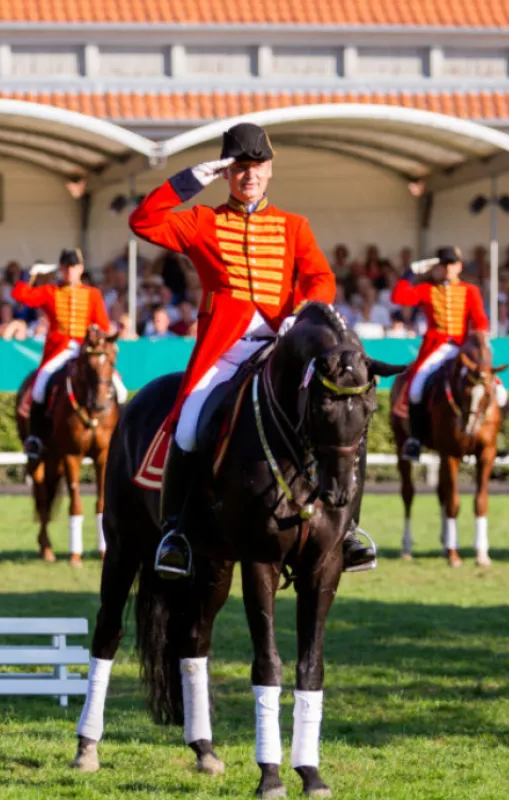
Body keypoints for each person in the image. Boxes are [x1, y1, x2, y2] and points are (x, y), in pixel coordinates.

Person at [128, 121, 374, 578]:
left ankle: (350, 531)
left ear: (270, 169)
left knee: (340, 416)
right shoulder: (203, 221)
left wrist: (304, 310)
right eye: (240, 168)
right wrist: (188, 179)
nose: (250, 176)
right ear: (226, 173)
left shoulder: (293, 226)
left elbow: (321, 277)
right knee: (187, 427)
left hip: (283, 350)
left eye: (257, 166)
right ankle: (177, 532)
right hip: (224, 351)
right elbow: (143, 221)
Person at [390, 246, 509, 461]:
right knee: (416, 389)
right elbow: (399, 296)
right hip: (436, 347)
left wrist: (481, 342)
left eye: (452, 263)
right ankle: (415, 440)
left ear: (459, 266)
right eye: (444, 264)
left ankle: (498, 437)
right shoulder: (427, 289)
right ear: (438, 266)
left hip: (464, 348)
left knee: (499, 393)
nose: (448, 268)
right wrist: (410, 272)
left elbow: (480, 320)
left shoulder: (469, 290)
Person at [10, 248, 124, 461]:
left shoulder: (92, 294)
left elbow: (102, 324)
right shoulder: (50, 291)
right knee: (39, 387)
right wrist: (28, 274)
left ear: (80, 269)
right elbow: (20, 295)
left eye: (73, 267)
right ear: (60, 269)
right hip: (59, 350)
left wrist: (96, 337)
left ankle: (121, 435)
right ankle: (35, 437)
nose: (69, 272)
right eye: (65, 268)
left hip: (86, 350)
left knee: (120, 388)